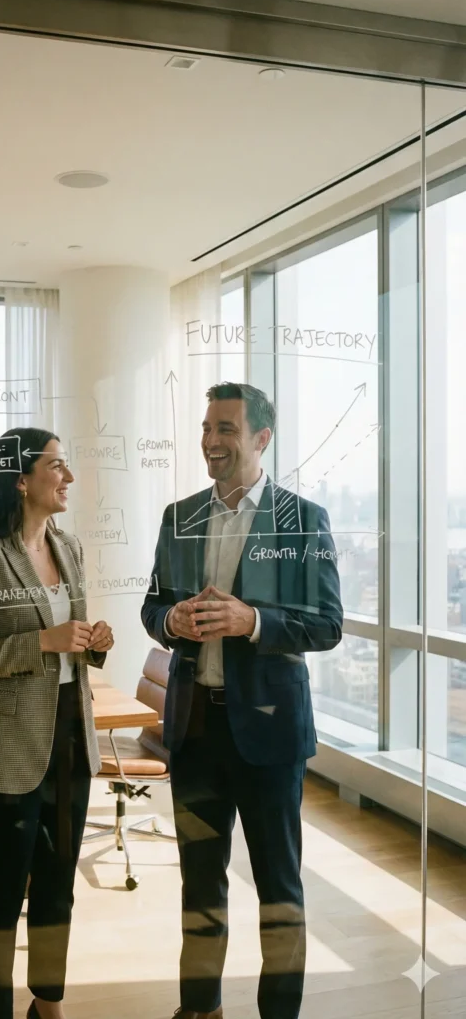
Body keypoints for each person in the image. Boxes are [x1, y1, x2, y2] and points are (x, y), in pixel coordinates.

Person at [141, 382, 343, 1019]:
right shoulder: (180, 517)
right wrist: (170, 621)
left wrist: (252, 621)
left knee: (279, 889)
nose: (210, 441)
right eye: (206, 428)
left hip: (270, 737)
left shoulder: (303, 521)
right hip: (196, 731)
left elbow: (327, 625)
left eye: (225, 429)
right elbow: (152, 606)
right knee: (199, 885)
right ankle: (200, 1009)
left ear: (261, 439)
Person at [0, 427, 114, 1019]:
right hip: (9, 747)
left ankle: (48, 1003)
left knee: (57, 883)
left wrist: (95, 643)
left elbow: (76, 640)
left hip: (71, 736)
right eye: (56, 467)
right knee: (0, 892)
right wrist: (40, 641)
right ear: (21, 480)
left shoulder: (70, 549)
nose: (67, 477)